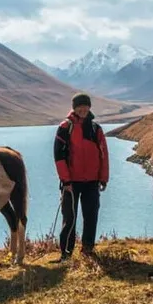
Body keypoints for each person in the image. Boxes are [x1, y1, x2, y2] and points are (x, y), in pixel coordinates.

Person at [52, 93, 109, 261]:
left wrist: (103, 178)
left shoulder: (95, 129)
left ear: (89, 107)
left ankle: (88, 249)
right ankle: (66, 254)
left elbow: (103, 154)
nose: (83, 110)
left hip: (92, 181)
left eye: (86, 106)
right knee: (69, 218)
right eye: (80, 107)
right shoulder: (65, 127)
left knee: (91, 216)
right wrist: (66, 180)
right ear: (74, 108)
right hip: (71, 182)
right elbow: (58, 156)